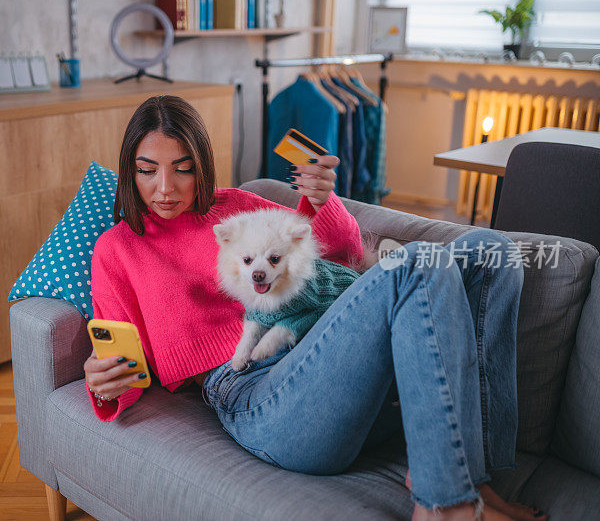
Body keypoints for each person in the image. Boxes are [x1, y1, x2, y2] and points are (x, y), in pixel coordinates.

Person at [83, 95, 544, 521]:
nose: (164, 188)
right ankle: (445, 505)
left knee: (491, 250)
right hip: (256, 395)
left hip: (334, 364)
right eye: (148, 171)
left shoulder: (236, 207)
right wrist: (103, 382)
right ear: (130, 170)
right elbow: (121, 362)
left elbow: (336, 255)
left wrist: (323, 201)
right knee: (415, 267)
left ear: (201, 165)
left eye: (181, 168)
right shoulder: (116, 249)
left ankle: (475, 479)